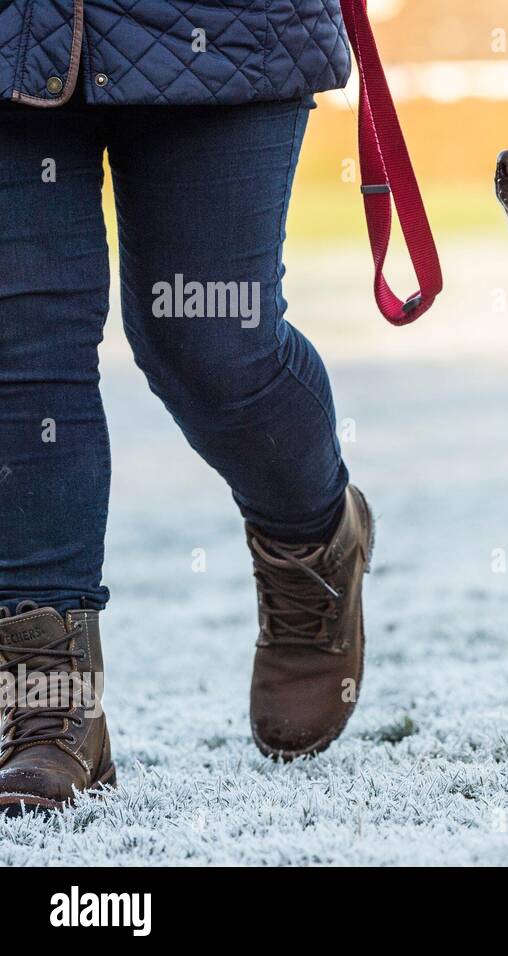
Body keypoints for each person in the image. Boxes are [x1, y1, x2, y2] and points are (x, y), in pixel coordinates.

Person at [0, 0, 371, 814]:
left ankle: (311, 545)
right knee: (19, 355)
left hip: (219, 23)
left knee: (207, 344)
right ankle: (48, 708)